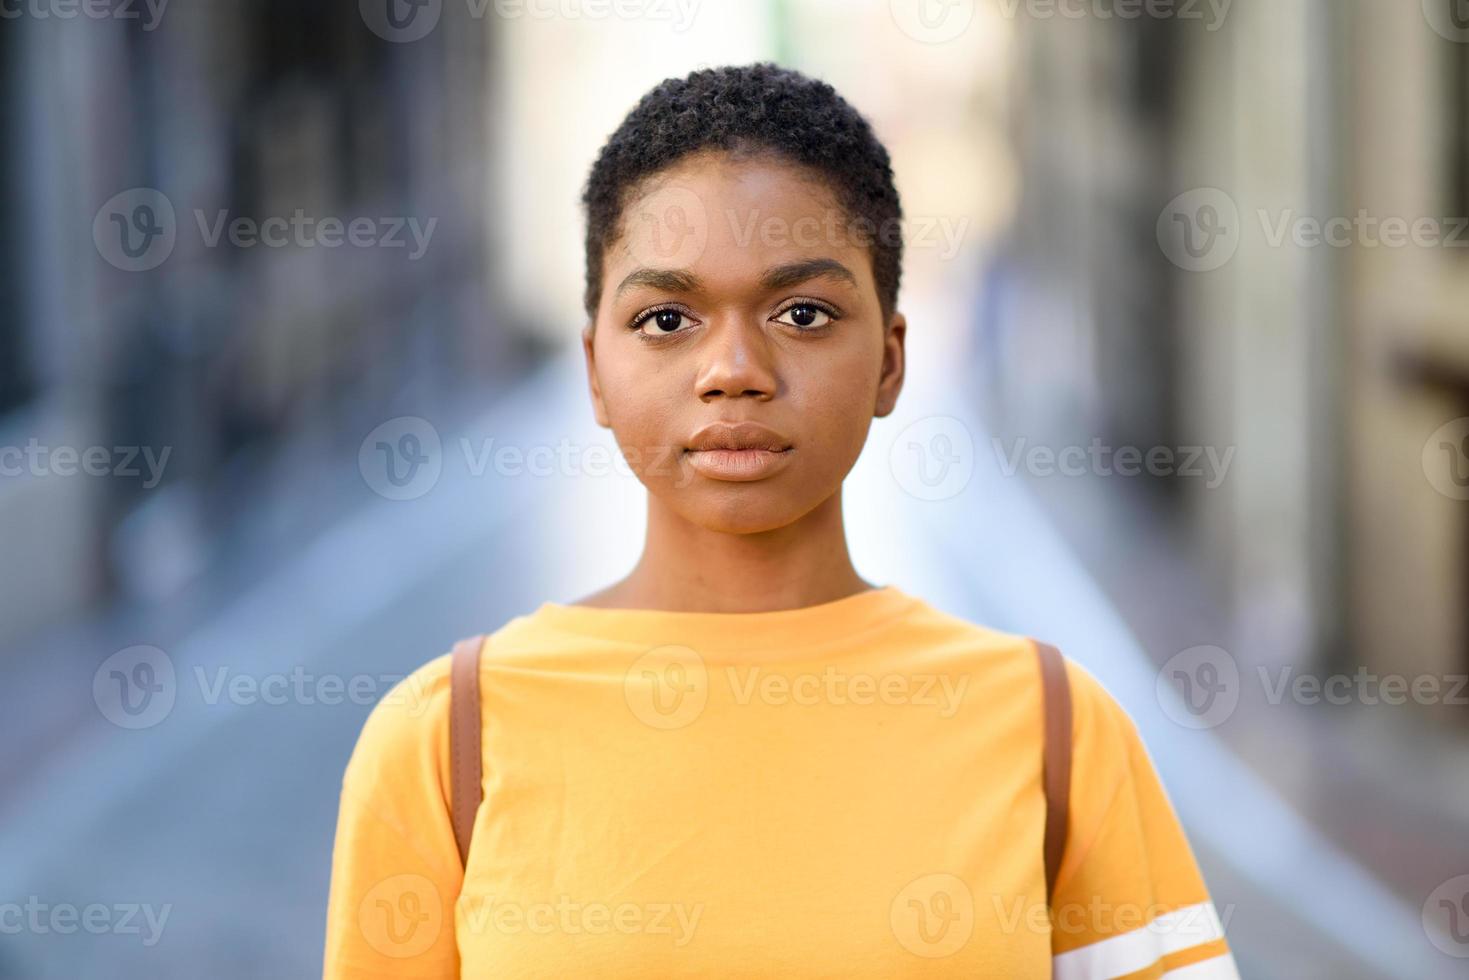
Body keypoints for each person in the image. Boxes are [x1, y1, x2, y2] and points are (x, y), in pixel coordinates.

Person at [322, 62, 1239, 978]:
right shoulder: (445, 745)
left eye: (802, 312)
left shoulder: (1051, 730)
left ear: (888, 361)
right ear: (595, 370)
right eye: (665, 317)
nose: (734, 369)